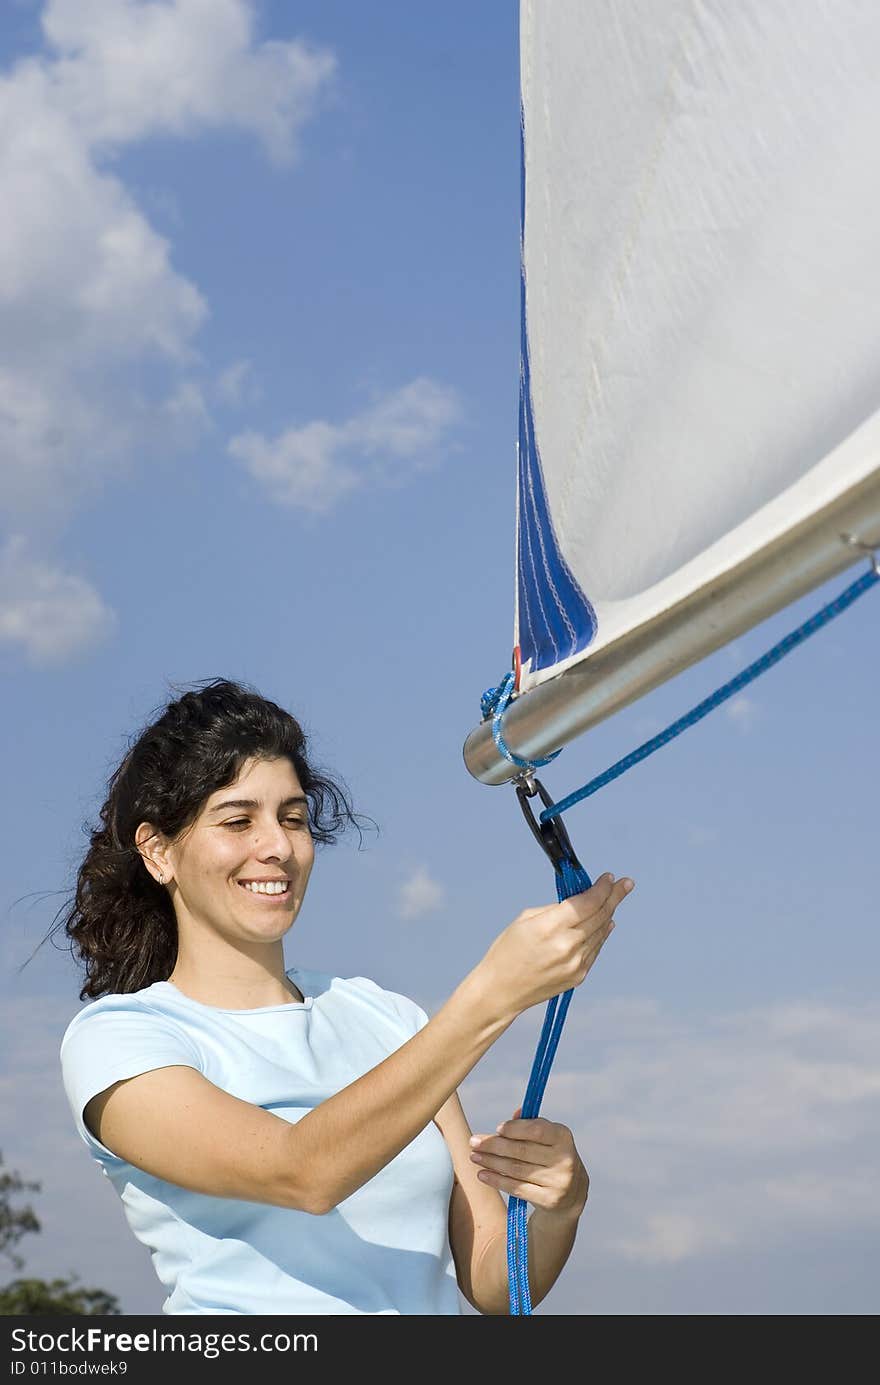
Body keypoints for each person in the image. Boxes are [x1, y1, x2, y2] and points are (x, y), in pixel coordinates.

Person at [58, 677, 634, 1316]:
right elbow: (301, 1171)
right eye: (238, 820)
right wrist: (493, 995)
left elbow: (496, 1283)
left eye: (294, 818)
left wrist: (560, 1204)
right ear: (158, 851)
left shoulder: (384, 1018)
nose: (277, 846)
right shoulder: (120, 1038)